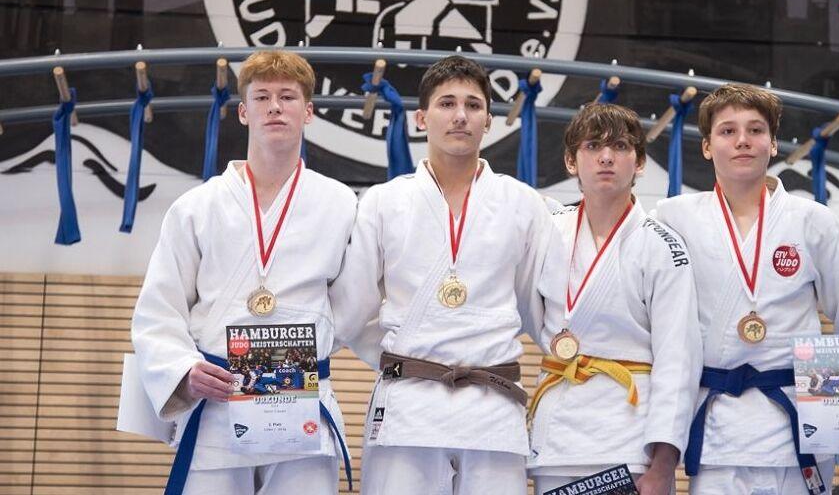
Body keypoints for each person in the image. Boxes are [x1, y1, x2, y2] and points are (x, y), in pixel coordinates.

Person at [651, 83, 839, 495]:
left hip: (800, 425)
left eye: (755, 130)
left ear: (773, 145)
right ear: (706, 146)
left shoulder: (814, 221)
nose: (742, 141)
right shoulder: (671, 218)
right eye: (728, 131)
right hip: (718, 429)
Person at [329, 55, 562, 495]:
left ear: (488, 120)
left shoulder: (523, 204)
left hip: (493, 404)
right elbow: (351, 309)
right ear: (421, 117)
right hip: (409, 404)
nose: (460, 116)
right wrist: (401, 356)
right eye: (446, 103)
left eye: (473, 105)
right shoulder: (382, 202)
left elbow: (540, 309)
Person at [131, 50, 356, 494]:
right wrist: (183, 369)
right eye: (263, 96)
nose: (275, 106)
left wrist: (313, 346)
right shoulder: (196, 207)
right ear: (243, 111)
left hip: (301, 407)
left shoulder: (342, 204)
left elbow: (358, 303)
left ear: (308, 111)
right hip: (218, 407)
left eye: (288, 97)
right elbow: (160, 309)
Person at [528, 103, 702, 495]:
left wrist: (663, 464)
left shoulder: (664, 245)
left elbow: (679, 360)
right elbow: (525, 311)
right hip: (556, 438)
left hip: (628, 440)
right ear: (572, 162)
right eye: (593, 146)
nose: (606, 157)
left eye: (621, 146)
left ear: (639, 163)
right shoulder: (545, 233)